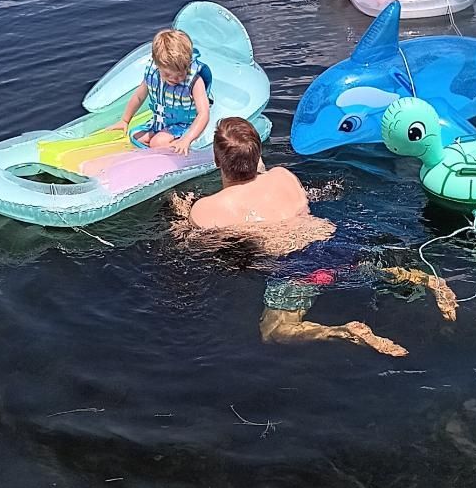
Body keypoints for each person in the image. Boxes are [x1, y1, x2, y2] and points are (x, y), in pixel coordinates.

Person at [179, 117, 457, 355]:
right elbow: (258, 177)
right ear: (259, 155)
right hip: (337, 240)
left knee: (275, 331)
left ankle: (340, 332)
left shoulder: (208, 209)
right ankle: (426, 279)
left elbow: (195, 240)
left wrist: (180, 210)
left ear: (216, 160)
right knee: (366, 268)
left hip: (299, 267)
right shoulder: (282, 176)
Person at [118, 28, 210, 157]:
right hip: (161, 121)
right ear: (157, 65)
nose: (174, 79)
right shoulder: (153, 73)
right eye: (167, 74)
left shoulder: (194, 81)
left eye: (180, 74)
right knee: (135, 135)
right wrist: (125, 120)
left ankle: (185, 148)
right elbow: (139, 97)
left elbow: (204, 113)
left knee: (157, 142)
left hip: (185, 125)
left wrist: (187, 139)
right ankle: (163, 149)